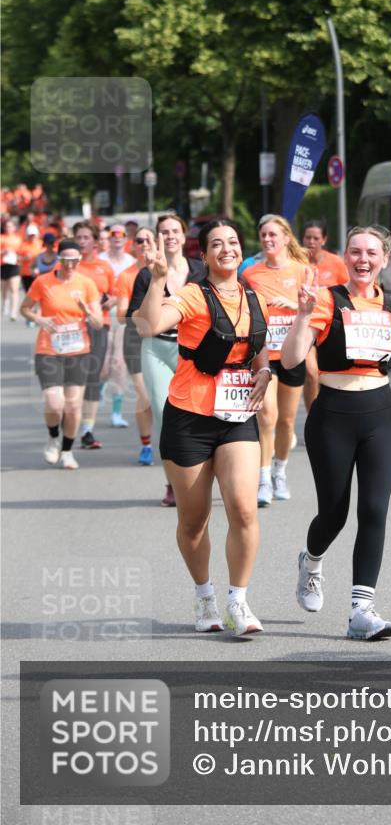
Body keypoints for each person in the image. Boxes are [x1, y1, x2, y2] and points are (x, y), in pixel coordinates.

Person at [281, 225, 391, 640]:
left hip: (381, 415)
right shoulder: (327, 301)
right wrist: (300, 314)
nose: (362, 259)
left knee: (374, 509)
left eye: (371, 252)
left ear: (385, 259)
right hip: (332, 414)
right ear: (345, 257)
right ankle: (311, 562)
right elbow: (293, 357)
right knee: (334, 513)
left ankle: (361, 611)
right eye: (354, 252)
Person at [137, 219, 272, 636]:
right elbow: (149, 325)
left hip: (236, 418)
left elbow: (259, 347)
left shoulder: (255, 298)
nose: (226, 249)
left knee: (244, 508)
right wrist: (158, 278)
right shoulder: (194, 295)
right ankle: (204, 596)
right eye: (217, 244)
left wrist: (265, 371)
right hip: (190, 418)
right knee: (194, 521)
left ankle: (238, 600)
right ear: (204, 255)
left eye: (233, 241)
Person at [130, 214, 205, 506]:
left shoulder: (200, 270)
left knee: (199, 411)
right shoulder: (147, 274)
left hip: (193, 350)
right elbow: (137, 317)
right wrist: (155, 302)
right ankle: (173, 482)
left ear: (184, 236)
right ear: (157, 237)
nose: (170, 236)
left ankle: (199, 474)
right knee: (164, 413)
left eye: (175, 231)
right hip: (156, 348)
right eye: (164, 231)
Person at [242, 214, 310, 506]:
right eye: (264, 235)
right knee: (266, 416)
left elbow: (319, 310)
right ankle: (263, 479)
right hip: (264, 355)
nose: (268, 240)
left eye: (273, 235)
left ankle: (280, 471)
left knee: (286, 420)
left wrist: (294, 305)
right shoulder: (252, 274)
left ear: (286, 238)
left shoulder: (303, 271)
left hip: (293, 354)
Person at [20, 239, 103, 469]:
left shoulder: (86, 284)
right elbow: (24, 309)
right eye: (66, 260)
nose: (70, 265)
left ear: (79, 260)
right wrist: (39, 318)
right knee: (54, 403)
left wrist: (85, 309)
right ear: (59, 259)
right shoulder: (43, 282)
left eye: (75, 260)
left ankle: (67, 451)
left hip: (78, 351)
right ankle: (53, 437)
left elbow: (97, 324)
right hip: (49, 349)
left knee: (73, 406)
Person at [73, 221, 116, 449]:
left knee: (92, 378)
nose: (82, 242)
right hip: (73, 328)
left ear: (95, 241)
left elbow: (116, 294)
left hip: (100, 325)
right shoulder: (69, 267)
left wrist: (108, 301)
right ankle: (69, 421)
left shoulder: (104, 267)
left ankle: (87, 430)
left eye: (86, 237)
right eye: (78, 237)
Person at [115, 228, 154, 464]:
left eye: (149, 239)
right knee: (145, 394)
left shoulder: (166, 269)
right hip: (135, 337)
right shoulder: (127, 275)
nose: (145, 244)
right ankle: (147, 445)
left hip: (166, 336)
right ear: (134, 245)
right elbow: (121, 316)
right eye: (140, 240)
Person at [302, 219, 349, 411]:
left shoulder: (336, 263)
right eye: (307, 238)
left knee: (328, 375)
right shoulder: (297, 262)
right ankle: (313, 415)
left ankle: (327, 413)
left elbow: (348, 293)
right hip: (307, 326)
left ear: (324, 240)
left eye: (316, 238)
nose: (311, 242)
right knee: (312, 373)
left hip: (331, 329)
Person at [99, 223, 136, 427]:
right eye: (113, 234)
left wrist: (118, 299)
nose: (117, 238)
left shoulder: (131, 262)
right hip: (102, 317)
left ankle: (116, 412)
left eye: (121, 234)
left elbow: (135, 290)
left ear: (125, 238)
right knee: (103, 366)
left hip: (122, 317)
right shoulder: (101, 261)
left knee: (119, 364)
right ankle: (96, 394)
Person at [1, 218, 22, 319]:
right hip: (3, 265)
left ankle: (13, 312)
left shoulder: (18, 239)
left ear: (14, 228)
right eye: (6, 226)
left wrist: (18, 255)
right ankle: (5, 302)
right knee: (4, 289)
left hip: (14, 265)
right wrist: (3, 252)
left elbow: (22, 252)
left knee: (14, 289)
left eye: (10, 226)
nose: (8, 228)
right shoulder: (1, 238)